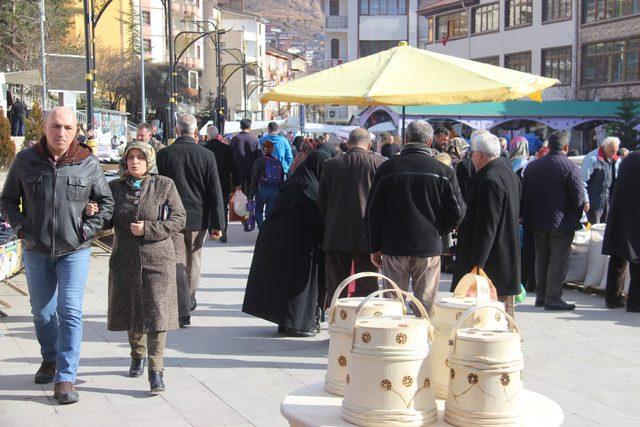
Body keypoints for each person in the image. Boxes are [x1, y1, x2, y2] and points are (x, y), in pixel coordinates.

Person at [0, 106, 114, 404]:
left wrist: (87, 231)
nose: (60, 133)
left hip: (74, 249)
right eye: (55, 126)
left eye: (67, 127)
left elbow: (106, 204)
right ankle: (49, 357)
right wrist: (22, 228)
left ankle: (65, 377)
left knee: (71, 310)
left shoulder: (87, 162)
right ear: (45, 127)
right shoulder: (26, 161)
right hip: (36, 249)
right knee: (42, 312)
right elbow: (8, 199)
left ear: (76, 131)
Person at [87, 142, 186, 393]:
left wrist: (150, 229)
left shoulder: (164, 185)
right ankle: (137, 354)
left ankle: (156, 370)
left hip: (158, 259)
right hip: (125, 259)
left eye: (140, 157)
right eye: (130, 157)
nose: (135, 162)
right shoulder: (114, 188)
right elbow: (105, 222)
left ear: (149, 160)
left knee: (157, 313)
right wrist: (92, 212)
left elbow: (179, 218)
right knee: (132, 310)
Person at [366, 121, 465, 316]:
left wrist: (375, 245)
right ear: (429, 141)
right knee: (425, 306)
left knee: (393, 305)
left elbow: (373, 212)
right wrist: (438, 230)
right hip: (427, 245)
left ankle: (395, 342)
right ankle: (423, 340)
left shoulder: (387, 169)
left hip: (394, 246)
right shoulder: (443, 171)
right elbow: (457, 212)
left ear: (406, 139)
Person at [243, 151, 331, 337]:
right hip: (298, 244)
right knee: (299, 283)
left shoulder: (295, 183)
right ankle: (297, 324)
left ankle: (285, 322)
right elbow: (314, 219)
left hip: (279, 240)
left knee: (285, 282)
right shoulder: (308, 188)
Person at [156, 114, 225, 328]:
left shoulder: (164, 154)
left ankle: (181, 308)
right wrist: (218, 224)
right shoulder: (206, 155)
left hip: (171, 215)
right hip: (199, 216)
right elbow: (215, 190)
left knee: (177, 261)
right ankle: (190, 299)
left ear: (177, 130)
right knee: (194, 259)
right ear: (195, 132)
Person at [452, 132, 521, 317]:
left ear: (480, 154)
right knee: (505, 312)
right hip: (505, 254)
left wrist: (477, 264)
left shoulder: (490, 179)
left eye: (472, 153)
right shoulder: (508, 173)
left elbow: (487, 225)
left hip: (492, 260)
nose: (471, 157)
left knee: (489, 314)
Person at [318, 128, 384, 301]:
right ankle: (363, 321)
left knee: (337, 286)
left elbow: (322, 201)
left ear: (348, 143)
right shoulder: (378, 163)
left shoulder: (331, 164)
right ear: (369, 144)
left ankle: (338, 321)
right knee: (367, 283)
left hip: (336, 232)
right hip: (368, 234)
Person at [522, 131, 585, 311]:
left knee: (541, 259)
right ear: (565, 147)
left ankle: (541, 296)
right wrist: (576, 214)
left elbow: (524, 194)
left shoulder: (533, 167)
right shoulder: (570, 167)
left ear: (548, 146)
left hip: (537, 221)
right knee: (558, 259)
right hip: (561, 221)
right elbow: (578, 198)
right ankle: (553, 297)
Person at [603, 150, 640, 312]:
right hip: (635, 217)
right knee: (637, 261)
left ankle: (613, 297)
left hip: (619, 214)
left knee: (618, 258)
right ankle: (635, 302)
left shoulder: (629, 159)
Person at [204, 124, 239, 243]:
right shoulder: (227, 149)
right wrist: (237, 183)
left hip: (207, 183)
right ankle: (223, 230)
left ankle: (211, 230)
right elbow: (233, 167)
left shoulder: (204, 149)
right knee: (223, 207)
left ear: (208, 136)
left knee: (209, 207)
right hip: (223, 182)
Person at [581, 136, 620, 224]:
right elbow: (582, 182)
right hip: (593, 203)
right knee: (592, 229)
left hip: (609, 202)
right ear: (604, 147)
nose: (614, 153)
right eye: (611, 151)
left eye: (616, 151)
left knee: (606, 230)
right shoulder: (592, 159)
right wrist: (586, 200)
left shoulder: (616, 159)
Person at [248, 140, 283, 229]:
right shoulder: (278, 162)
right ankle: (267, 232)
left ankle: (262, 230)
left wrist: (251, 196)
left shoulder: (258, 162)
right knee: (269, 213)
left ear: (263, 149)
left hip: (262, 190)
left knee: (258, 211)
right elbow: (281, 180)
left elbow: (254, 180)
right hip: (275, 190)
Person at [230, 118, 260, 193]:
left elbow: (230, 154)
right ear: (250, 127)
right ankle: (249, 203)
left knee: (239, 194)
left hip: (237, 171)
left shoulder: (235, 138)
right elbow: (259, 155)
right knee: (250, 193)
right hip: (251, 170)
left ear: (241, 127)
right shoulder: (255, 139)